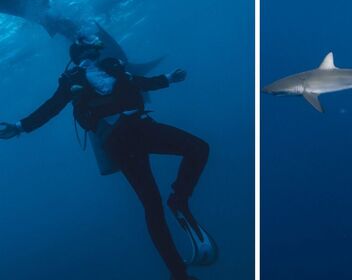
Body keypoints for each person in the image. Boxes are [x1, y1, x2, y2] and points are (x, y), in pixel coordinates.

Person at [0, 34, 209, 280]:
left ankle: (179, 199)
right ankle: (178, 274)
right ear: (77, 53)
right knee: (151, 204)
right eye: (88, 47)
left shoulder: (114, 66)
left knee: (199, 149)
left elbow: (140, 82)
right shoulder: (70, 80)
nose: (95, 51)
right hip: (117, 140)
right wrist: (20, 126)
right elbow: (52, 106)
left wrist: (169, 78)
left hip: (141, 126)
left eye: (95, 48)